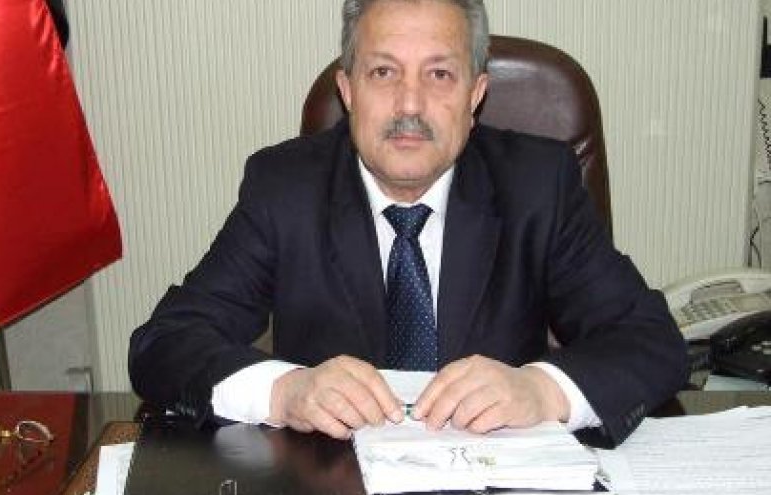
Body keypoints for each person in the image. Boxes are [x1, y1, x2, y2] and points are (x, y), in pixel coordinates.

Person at [129, 0, 687, 447]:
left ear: (475, 95)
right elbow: (165, 343)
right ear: (348, 91)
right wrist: (284, 392)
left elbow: (651, 340)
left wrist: (542, 392)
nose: (410, 104)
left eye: (440, 74)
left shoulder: (539, 186)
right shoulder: (285, 188)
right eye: (383, 72)